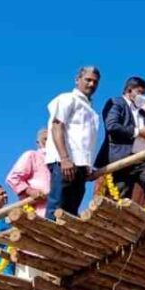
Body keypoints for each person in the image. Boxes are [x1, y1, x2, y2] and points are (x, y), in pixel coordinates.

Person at [95, 76, 145, 205]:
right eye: (140, 92)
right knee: (120, 196)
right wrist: (138, 132)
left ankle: (142, 222)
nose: (143, 97)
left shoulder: (143, 114)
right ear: (129, 90)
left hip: (142, 160)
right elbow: (112, 126)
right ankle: (115, 223)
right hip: (122, 158)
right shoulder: (116, 103)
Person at [44, 66, 101, 219]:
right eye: (87, 80)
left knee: (70, 212)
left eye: (95, 82)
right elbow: (57, 125)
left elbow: (85, 140)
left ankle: (62, 243)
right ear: (77, 80)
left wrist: (87, 166)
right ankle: (49, 241)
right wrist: (64, 158)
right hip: (65, 161)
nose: (91, 84)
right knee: (57, 207)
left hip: (81, 165)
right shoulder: (67, 98)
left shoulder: (91, 111)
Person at [6, 129, 50, 217]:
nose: (49, 142)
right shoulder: (32, 155)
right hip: (38, 211)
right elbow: (13, 177)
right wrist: (30, 191)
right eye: (46, 139)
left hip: (60, 209)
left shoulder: (61, 158)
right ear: (38, 143)